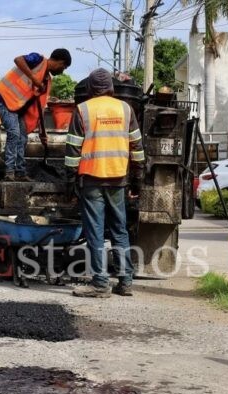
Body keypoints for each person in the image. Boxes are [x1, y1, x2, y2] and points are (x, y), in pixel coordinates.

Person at [64, 68, 145, 298]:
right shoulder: (126, 109)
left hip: (91, 180)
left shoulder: (83, 109)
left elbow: (72, 152)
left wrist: (70, 184)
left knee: (95, 231)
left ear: (90, 88)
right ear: (111, 87)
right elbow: (137, 148)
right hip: (118, 179)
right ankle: (125, 282)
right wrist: (137, 182)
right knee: (120, 230)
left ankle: (100, 283)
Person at [0, 48, 71, 181]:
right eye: (63, 67)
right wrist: (34, 78)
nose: (62, 72)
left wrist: (42, 132)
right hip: (4, 98)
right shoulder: (38, 60)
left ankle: (20, 172)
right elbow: (18, 59)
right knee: (14, 133)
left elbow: (39, 107)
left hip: (17, 107)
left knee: (22, 137)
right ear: (59, 62)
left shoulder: (46, 80)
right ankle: (9, 172)